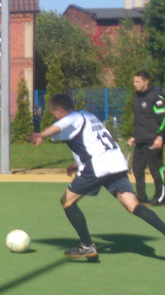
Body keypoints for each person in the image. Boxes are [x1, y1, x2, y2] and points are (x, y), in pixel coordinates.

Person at [30, 93, 165, 258]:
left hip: (97, 166)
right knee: (133, 205)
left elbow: (59, 126)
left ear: (59, 110)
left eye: (54, 114)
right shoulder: (89, 117)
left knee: (67, 201)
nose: (55, 118)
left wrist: (41, 135)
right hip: (115, 162)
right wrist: (77, 164)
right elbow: (95, 143)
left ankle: (87, 245)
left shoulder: (71, 118)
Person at [126, 70, 165, 205]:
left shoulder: (156, 97)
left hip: (153, 141)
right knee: (137, 169)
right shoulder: (137, 98)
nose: (134, 84)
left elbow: (163, 119)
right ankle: (141, 198)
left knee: (156, 169)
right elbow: (140, 120)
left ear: (146, 81)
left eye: (137, 81)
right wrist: (135, 136)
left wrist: (160, 137)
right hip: (140, 141)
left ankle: (161, 197)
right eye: (134, 81)